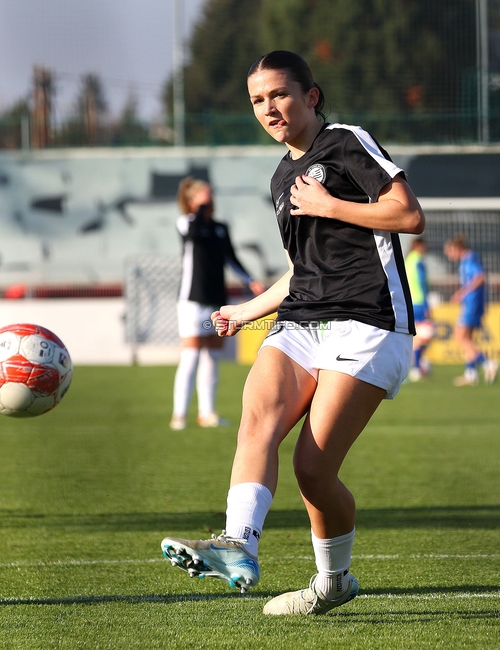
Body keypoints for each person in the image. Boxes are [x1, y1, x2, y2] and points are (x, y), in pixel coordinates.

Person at [161, 50, 424, 616]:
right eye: (258, 100)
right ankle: (238, 545)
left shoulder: (348, 141)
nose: (269, 108)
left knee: (312, 468)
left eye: (279, 94)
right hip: (303, 318)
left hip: (370, 320)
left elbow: (406, 214)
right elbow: (304, 270)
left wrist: (330, 203)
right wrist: (248, 309)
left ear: (312, 96)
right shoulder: (281, 176)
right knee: (256, 419)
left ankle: (333, 581)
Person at [171, 177, 264, 430]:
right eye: (203, 195)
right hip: (192, 300)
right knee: (190, 356)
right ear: (191, 201)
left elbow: (231, 258)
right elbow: (191, 234)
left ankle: (207, 413)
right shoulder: (187, 223)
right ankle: (179, 415)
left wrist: (250, 280)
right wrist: (200, 208)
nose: (210, 198)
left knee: (212, 356)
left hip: (216, 300)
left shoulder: (220, 227)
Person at [443, 236, 498, 386]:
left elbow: (480, 277)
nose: (449, 256)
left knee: (460, 337)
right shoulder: (466, 260)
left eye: (450, 252)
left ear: (457, 248)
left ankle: (488, 364)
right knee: (468, 339)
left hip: (473, 304)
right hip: (472, 303)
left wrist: (462, 293)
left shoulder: (470, 259)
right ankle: (471, 374)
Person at [405, 237, 433, 381]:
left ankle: (417, 365)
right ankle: (417, 367)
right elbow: (421, 283)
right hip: (420, 302)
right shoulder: (418, 261)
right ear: (419, 246)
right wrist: (427, 304)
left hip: (410, 302)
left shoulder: (408, 259)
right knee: (427, 334)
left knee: (418, 337)